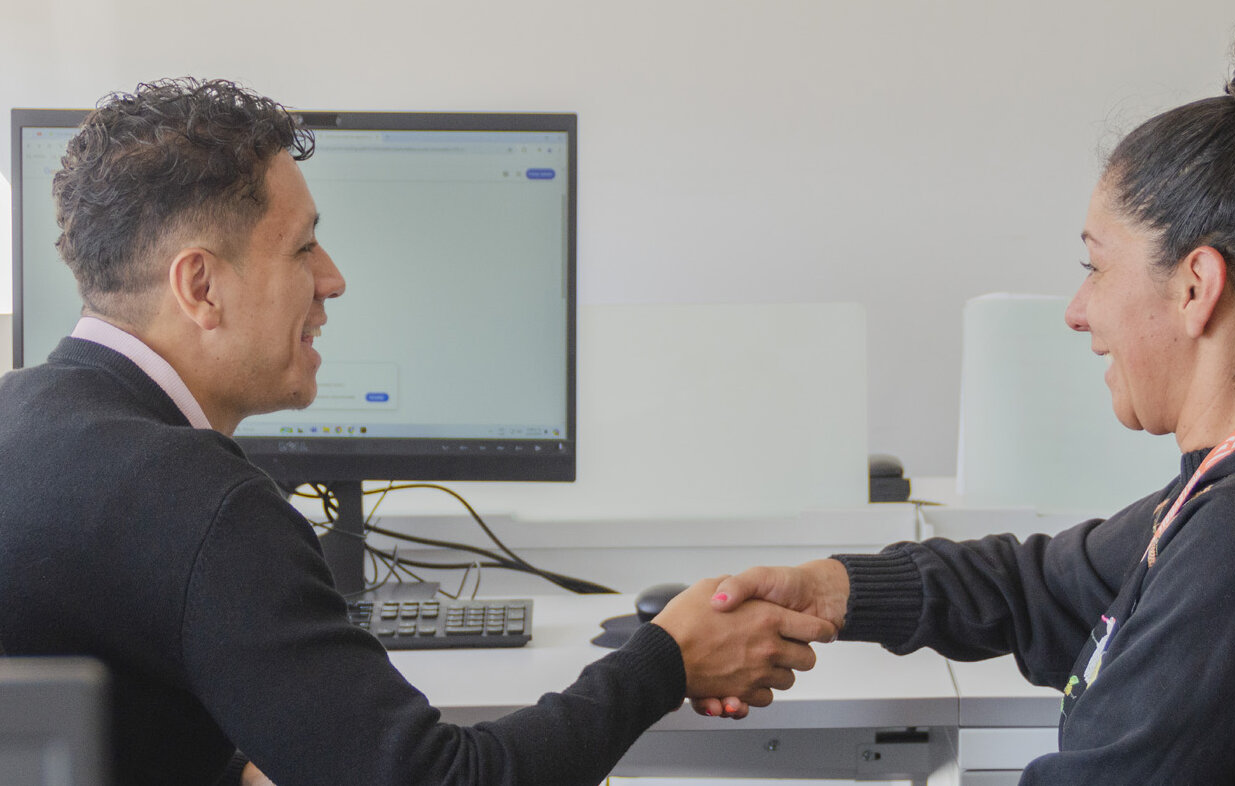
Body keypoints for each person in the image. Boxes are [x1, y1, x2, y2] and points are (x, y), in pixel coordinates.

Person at [0, 78, 836, 786]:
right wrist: (666, 659)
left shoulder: (20, 418)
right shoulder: (200, 504)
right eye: (302, 248)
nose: (333, 280)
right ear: (201, 286)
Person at [706, 8, 1235, 783]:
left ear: (1196, 286)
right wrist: (827, 590)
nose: (1078, 311)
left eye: (1095, 267)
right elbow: (1040, 584)